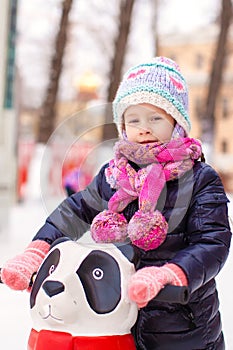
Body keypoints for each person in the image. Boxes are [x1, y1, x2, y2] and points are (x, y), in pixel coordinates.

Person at [1, 57, 231, 350]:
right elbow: (75, 211)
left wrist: (170, 274)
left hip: (182, 328)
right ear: (123, 125)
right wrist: (37, 250)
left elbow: (212, 242)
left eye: (155, 118)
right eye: (134, 120)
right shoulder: (115, 176)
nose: (144, 129)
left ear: (177, 122)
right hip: (116, 322)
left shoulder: (199, 179)